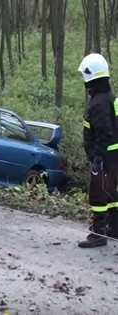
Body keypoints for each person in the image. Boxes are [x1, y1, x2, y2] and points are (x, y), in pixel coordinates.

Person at [78, 53, 118, 248]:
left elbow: (105, 132)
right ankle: (114, 228)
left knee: (97, 194)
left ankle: (98, 234)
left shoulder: (99, 103)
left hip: (105, 157)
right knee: (110, 193)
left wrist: (98, 157)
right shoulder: (108, 98)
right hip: (112, 157)